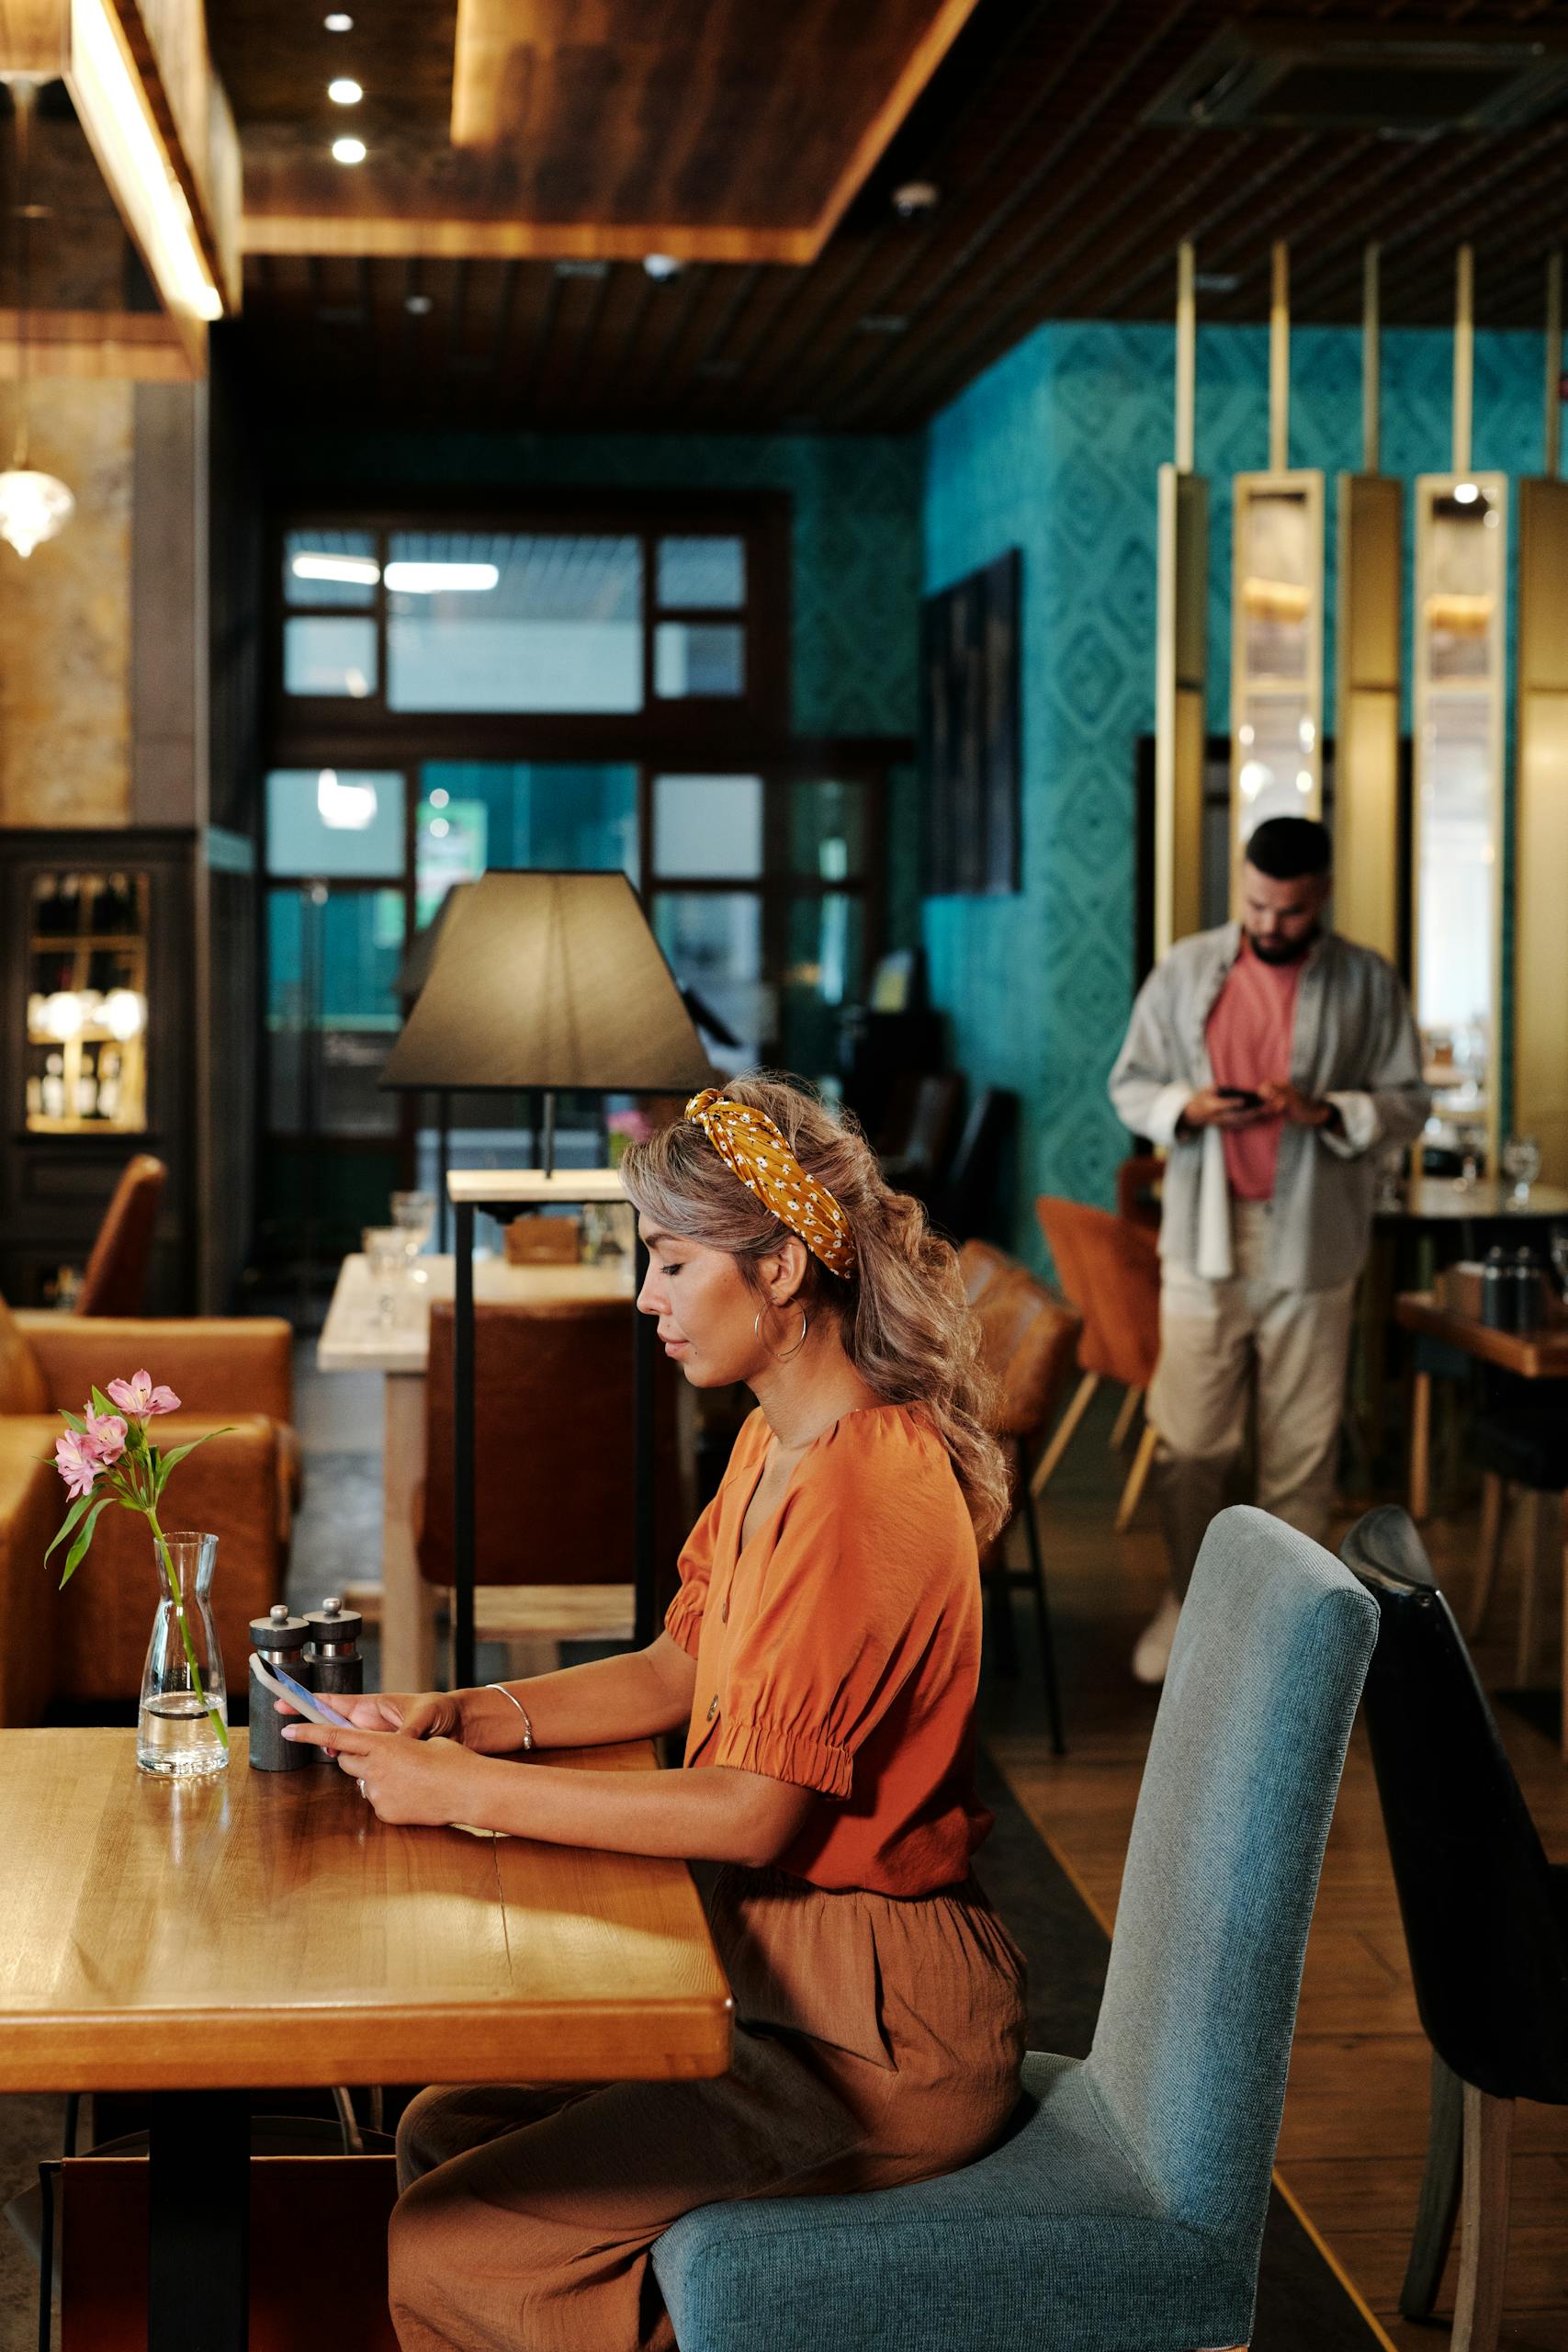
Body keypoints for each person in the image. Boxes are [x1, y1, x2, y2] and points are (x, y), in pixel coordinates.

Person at [282, 1076, 1027, 2352]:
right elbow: (672, 1669)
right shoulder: (777, 1438)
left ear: (781, 1269)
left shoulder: (859, 1490)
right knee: (444, 2122)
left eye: (673, 1265)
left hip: (870, 2036)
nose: (643, 1300)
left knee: (451, 2233)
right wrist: (461, 1716)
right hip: (775, 1976)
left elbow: (749, 1814)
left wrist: (464, 1798)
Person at [1108, 816, 1428, 1684]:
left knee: (1298, 1447)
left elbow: (1408, 1103)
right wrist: (1188, 1105)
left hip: (1314, 1240)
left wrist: (1326, 1111)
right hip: (1204, 1236)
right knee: (1190, 1443)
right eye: (1256, 904)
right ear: (1240, 889)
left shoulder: (1366, 980)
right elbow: (1129, 1084)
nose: (1270, 923)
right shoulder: (1185, 969)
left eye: (1288, 911)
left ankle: (1283, 1625)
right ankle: (1186, 1598)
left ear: (1320, 895)